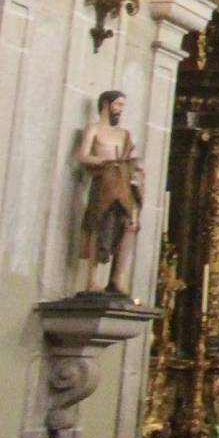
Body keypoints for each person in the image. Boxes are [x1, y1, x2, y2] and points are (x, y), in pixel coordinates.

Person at [76, 91, 143, 297]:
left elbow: (129, 158)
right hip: (103, 181)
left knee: (130, 225)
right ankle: (92, 279)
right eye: (118, 104)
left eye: (123, 105)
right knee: (98, 222)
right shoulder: (93, 129)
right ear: (106, 104)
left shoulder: (123, 135)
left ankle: (116, 279)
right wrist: (104, 162)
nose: (120, 109)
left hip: (122, 180)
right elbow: (83, 156)